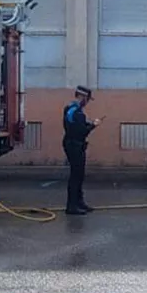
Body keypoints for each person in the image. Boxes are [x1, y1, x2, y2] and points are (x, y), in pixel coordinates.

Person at [62, 86, 100, 215]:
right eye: (87, 99)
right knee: (76, 176)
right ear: (82, 97)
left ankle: (79, 202)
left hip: (73, 143)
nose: (87, 102)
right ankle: (72, 206)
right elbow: (81, 132)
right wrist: (93, 125)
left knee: (78, 175)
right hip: (75, 145)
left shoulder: (70, 109)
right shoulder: (77, 112)